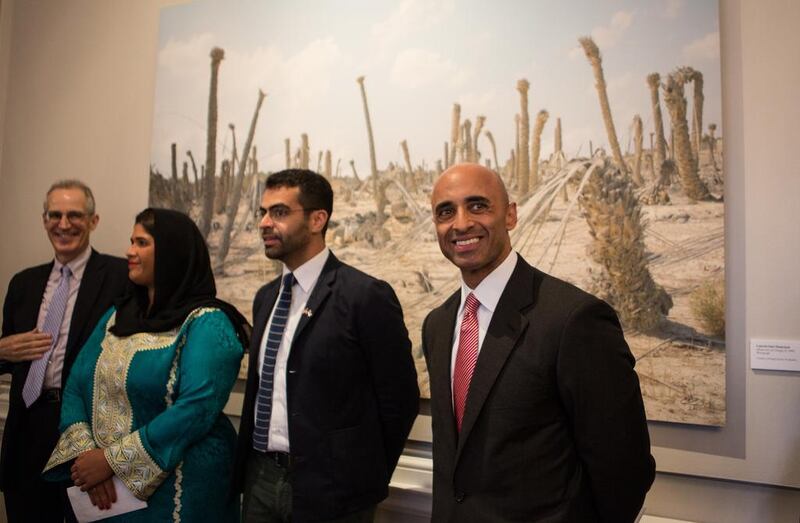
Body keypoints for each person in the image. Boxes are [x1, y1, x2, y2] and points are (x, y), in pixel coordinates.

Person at [422, 163, 655, 522]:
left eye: (478, 205)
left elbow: (624, 467)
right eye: (446, 211)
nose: (461, 223)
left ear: (510, 215)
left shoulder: (574, 320)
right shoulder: (437, 325)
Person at [234, 169, 419, 522]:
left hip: (333, 491)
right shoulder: (265, 298)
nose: (264, 223)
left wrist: (362, 475)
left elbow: (400, 400)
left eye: (279, 212)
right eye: (263, 212)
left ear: (318, 219)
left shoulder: (364, 296)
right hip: (259, 480)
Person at [43, 208, 248, 522]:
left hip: (183, 489)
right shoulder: (117, 314)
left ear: (171, 253)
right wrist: (90, 462)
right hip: (107, 494)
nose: (129, 251)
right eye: (131, 241)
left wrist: (112, 461)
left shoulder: (209, 322)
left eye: (141, 243)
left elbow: (195, 409)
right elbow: (75, 385)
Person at [0, 180, 128, 522]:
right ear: (44, 220)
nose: (64, 224)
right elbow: (7, 357)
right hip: (26, 429)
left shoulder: (121, 278)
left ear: (93, 220)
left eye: (74, 215)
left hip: (85, 431)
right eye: (55, 215)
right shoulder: (23, 283)